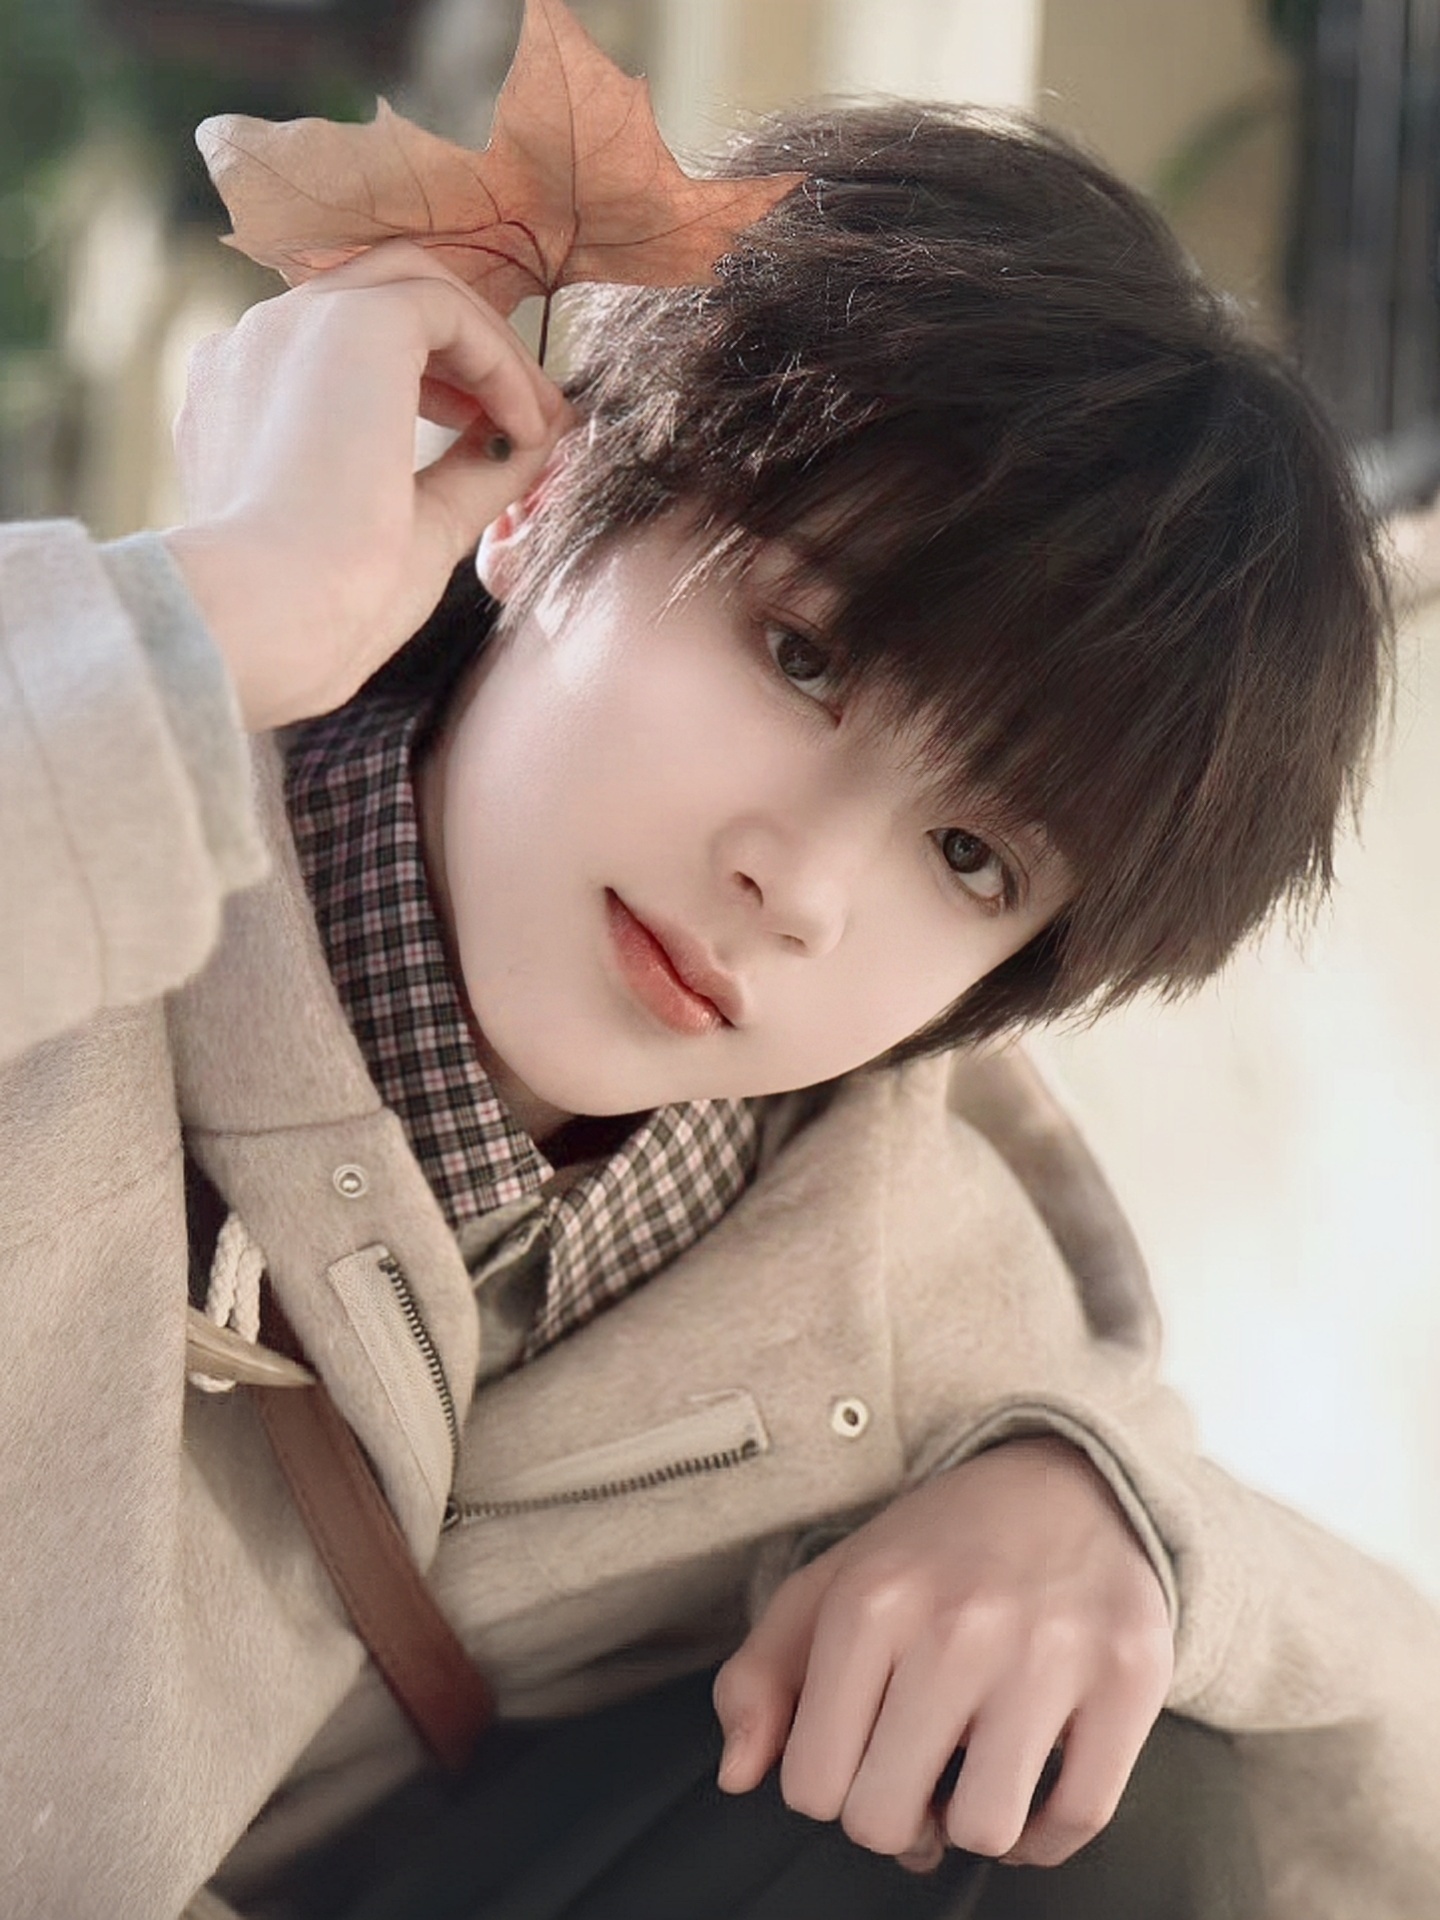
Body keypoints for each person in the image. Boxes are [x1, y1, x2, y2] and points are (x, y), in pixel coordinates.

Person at [1, 102, 1436, 1920]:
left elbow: (1380, 1794)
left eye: (974, 856)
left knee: (1115, 1781)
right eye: (803, 654)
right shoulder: (83, 879)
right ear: (540, 500)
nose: (803, 885)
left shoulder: (864, 1259)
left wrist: (1121, 1528)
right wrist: (219, 620)